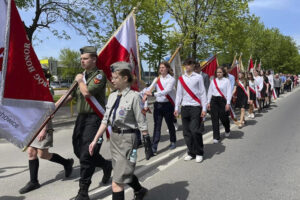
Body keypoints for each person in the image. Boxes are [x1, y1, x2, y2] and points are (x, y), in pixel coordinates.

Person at [56, 46, 112, 200]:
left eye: (85, 58)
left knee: (87, 154)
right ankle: (106, 165)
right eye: (81, 59)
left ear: (94, 60)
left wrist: (80, 80)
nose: (82, 61)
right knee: (78, 151)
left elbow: (87, 93)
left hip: (95, 119)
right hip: (81, 118)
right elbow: (69, 96)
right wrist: (54, 107)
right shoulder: (80, 77)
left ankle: (83, 192)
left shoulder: (99, 75)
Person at [89, 62, 149, 200]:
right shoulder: (112, 96)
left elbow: (141, 121)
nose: (112, 80)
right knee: (121, 172)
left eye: (115, 77)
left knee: (117, 181)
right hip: (115, 139)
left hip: (128, 140)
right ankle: (140, 190)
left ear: (125, 78)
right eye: (112, 77)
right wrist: (94, 140)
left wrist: (147, 141)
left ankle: (138, 190)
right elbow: (106, 120)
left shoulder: (134, 97)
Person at [19, 68, 74, 194]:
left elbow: (47, 110)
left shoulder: (45, 89)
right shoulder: (31, 88)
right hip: (31, 125)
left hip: (43, 125)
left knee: (43, 154)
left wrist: (43, 129)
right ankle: (34, 182)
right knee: (31, 152)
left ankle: (66, 163)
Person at [174, 58, 207, 163]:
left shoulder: (198, 77)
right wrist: (176, 107)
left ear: (193, 66)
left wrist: (204, 108)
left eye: (189, 64)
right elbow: (179, 94)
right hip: (184, 107)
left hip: (195, 106)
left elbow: (202, 93)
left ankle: (199, 152)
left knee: (195, 130)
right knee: (186, 132)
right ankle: (191, 152)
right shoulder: (181, 78)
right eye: (186, 65)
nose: (187, 66)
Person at [144, 62, 177, 155]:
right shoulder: (157, 79)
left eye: (163, 67)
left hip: (168, 105)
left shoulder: (171, 79)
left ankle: (173, 141)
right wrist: (145, 93)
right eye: (160, 68)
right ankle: (154, 147)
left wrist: (154, 94)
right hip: (158, 105)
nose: (161, 69)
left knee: (170, 124)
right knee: (157, 126)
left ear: (167, 69)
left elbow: (167, 91)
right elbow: (149, 89)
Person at [207, 67, 232, 143]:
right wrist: (208, 102)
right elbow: (210, 92)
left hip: (222, 100)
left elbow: (229, 92)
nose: (219, 74)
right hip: (214, 100)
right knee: (214, 119)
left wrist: (228, 103)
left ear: (223, 73)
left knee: (223, 117)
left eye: (220, 72)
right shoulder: (213, 81)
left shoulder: (227, 81)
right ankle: (216, 137)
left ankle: (227, 129)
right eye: (217, 72)